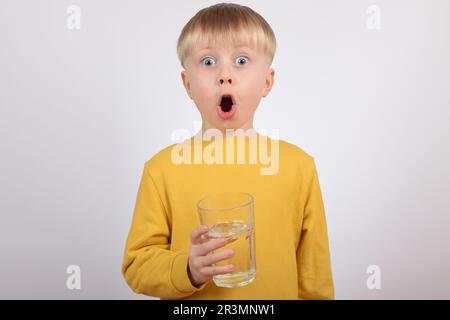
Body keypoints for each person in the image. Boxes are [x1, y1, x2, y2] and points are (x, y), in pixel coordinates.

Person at [121, 2, 334, 300]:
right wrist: (188, 269)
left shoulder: (299, 167)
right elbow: (136, 264)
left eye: (242, 60)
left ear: (267, 81)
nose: (224, 74)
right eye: (208, 62)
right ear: (188, 84)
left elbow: (315, 276)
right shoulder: (161, 170)